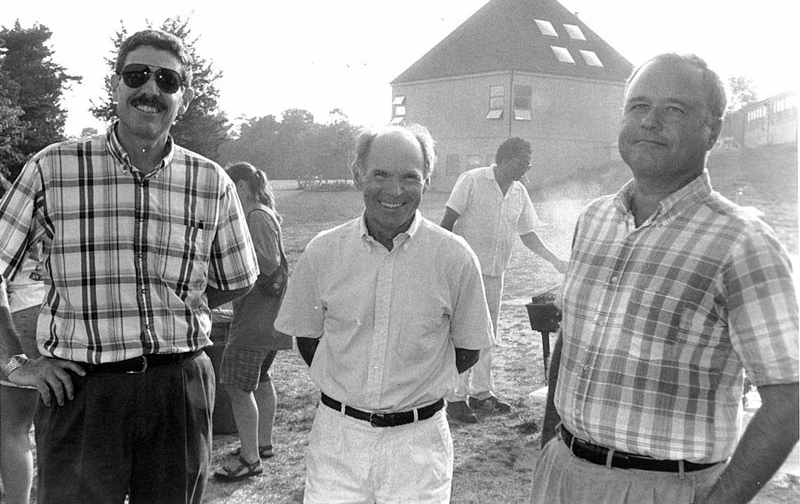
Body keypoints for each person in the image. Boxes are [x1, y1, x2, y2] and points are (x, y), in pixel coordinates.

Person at [0, 29, 259, 504]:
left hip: (178, 390)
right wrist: (15, 363)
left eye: (167, 80)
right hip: (81, 393)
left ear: (184, 94)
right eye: (137, 75)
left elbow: (236, 280)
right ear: (115, 85)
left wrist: (172, 312)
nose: (151, 90)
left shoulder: (211, 181)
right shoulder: (53, 169)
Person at [530, 53, 799, 504]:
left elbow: (788, 398)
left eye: (674, 110)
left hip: (666, 489)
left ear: (712, 130)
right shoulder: (594, 220)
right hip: (563, 475)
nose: (650, 122)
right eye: (638, 107)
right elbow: (570, 343)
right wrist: (548, 449)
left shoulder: (743, 242)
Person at [274, 124, 494, 503]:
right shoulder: (324, 252)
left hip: (419, 446)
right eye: (381, 174)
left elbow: (469, 348)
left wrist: (410, 390)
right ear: (358, 174)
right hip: (338, 442)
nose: (395, 191)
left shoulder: (454, 257)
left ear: (427, 179)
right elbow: (308, 338)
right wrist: (352, 387)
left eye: (410, 177)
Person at [441, 137, 568, 423]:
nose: (528, 166)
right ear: (508, 160)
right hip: (464, 273)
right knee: (464, 333)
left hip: (496, 273)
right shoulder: (472, 180)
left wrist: (556, 261)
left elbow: (528, 235)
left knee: (487, 334)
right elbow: (447, 224)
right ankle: (455, 399)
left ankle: (482, 393)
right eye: (525, 161)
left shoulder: (519, 192)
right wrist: (446, 265)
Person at [213, 162, 293, 482]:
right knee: (261, 380)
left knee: (235, 383)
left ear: (241, 187)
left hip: (257, 319)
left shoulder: (255, 215)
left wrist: (229, 263)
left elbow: (269, 262)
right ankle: (262, 444)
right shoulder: (263, 212)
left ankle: (250, 458)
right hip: (267, 319)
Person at [0, 242, 44, 504]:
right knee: (60, 427)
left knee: (13, 428)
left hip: (19, 311)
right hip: (63, 313)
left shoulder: (12, 205)